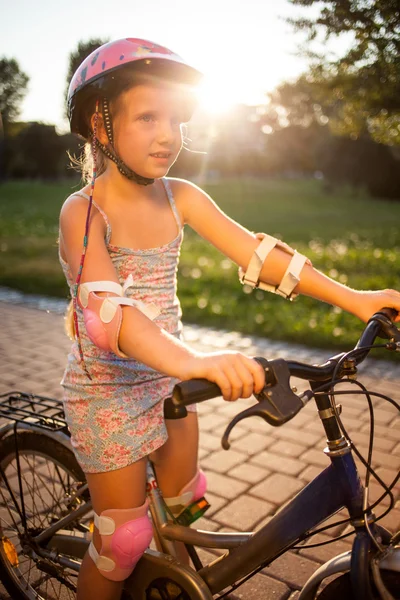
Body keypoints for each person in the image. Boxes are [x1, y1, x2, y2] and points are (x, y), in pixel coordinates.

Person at [59, 38, 400, 600]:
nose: (169, 134)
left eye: (176, 118)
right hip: (108, 394)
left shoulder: (180, 196)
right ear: (101, 124)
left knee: (186, 505)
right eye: (148, 117)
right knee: (122, 541)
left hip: (169, 378)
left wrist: (356, 297)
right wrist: (200, 359)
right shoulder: (83, 210)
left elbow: (259, 257)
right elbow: (107, 316)